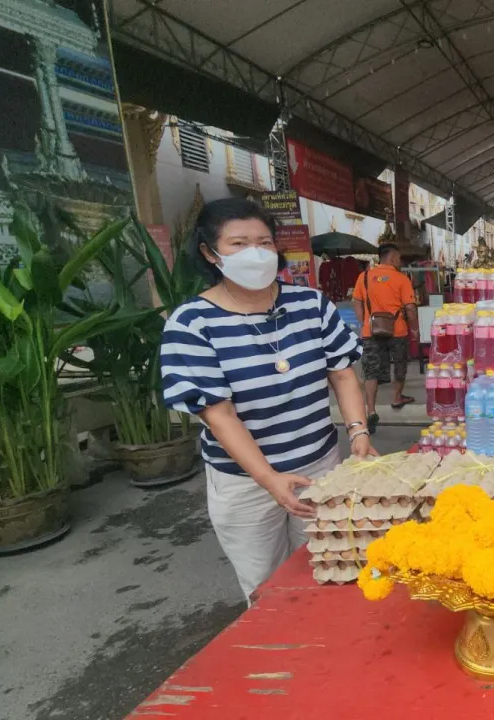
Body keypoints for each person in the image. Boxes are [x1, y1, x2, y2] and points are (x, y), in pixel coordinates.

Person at [160, 198, 377, 602]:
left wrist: (358, 431)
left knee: (332, 564)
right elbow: (219, 415)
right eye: (238, 244)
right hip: (247, 484)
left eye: (263, 242)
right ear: (209, 253)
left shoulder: (311, 304)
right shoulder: (192, 323)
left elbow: (343, 373)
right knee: (268, 587)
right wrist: (269, 479)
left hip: (321, 466)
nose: (254, 254)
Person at [352, 244, 419, 428]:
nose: (399, 261)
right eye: (398, 257)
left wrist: (364, 322)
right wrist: (414, 329)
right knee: (399, 365)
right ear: (391, 257)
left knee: (371, 370)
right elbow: (410, 308)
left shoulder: (364, 277)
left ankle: (371, 410)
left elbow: (356, 303)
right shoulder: (401, 279)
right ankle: (397, 397)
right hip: (397, 330)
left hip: (371, 331)